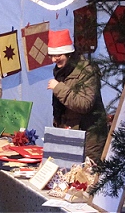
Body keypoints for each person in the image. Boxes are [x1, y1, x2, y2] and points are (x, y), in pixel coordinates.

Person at [47, 29, 108, 162]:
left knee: (85, 177)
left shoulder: (86, 71)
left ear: (68, 53)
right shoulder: (62, 71)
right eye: (51, 55)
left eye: (57, 55)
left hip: (89, 136)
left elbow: (84, 104)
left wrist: (58, 88)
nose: (53, 59)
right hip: (71, 132)